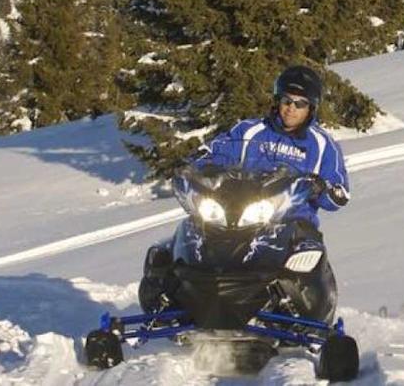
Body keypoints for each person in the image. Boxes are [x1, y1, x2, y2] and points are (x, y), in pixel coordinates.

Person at [138, 65, 350, 312]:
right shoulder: (250, 130)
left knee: (309, 253)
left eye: (299, 103)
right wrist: (196, 165)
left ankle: (303, 312)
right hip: (234, 212)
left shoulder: (323, 145)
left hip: (290, 220)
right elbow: (215, 151)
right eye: (286, 100)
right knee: (180, 238)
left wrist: (321, 187)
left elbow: (340, 194)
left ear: (310, 107)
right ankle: (170, 302)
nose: (291, 108)